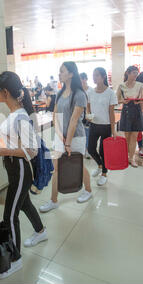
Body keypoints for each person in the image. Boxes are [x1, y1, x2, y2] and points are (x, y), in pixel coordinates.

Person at [0, 71, 47, 280]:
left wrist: (4, 151)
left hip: (21, 169)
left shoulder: (20, 115)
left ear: (5, 92)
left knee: (9, 216)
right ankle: (41, 231)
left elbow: (32, 150)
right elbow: (16, 141)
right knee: (24, 204)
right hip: (14, 167)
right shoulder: (15, 113)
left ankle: (15, 259)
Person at [40, 61, 92, 213]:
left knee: (78, 165)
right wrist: (58, 134)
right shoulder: (59, 93)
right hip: (60, 137)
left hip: (75, 138)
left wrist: (67, 143)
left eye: (62, 71)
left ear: (71, 74)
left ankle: (88, 190)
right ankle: (53, 200)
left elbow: (74, 120)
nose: (59, 74)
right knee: (56, 169)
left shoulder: (80, 94)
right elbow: (55, 115)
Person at [86, 68, 118, 186]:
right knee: (90, 149)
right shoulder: (90, 92)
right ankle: (100, 165)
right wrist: (88, 114)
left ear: (103, 77)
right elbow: (88, 106)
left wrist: (113, 129)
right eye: (93, 75)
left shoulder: (110, 93)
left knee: (103, 151)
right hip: (94, 124)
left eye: (97, 75)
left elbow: (111, 113)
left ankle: (104, 173)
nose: (94, 78)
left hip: (106, 126)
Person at [116, 65, 143, 167]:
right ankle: (126, 156)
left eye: (137, 74)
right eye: (134, 73)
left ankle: (131, 158)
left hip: (137, 112)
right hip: (126, 111)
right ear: (128, 73)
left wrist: (140, 107)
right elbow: (116, 100)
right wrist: (123, 101)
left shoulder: (140, 85)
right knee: (127, 137)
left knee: (134, 137)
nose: (136, 75)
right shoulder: (121, 86)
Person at [79, 72, 92, 159]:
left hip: (88, 115)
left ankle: (87, 151)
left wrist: (90, 115)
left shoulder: (91, 90)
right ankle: (82, 150)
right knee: (81, 134)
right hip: (79, 115)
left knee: (87, 134)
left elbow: (91, 104)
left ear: (85, 79)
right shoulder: (78, 90)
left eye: (81, 79)